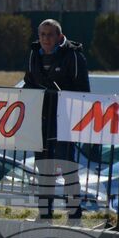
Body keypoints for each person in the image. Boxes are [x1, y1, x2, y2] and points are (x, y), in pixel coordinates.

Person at [23, 19, 90, 220]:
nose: (46, 38)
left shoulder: (73, 56)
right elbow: (29, 82)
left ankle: (74, 213)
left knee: (67, 166)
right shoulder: (34, 54)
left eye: (50, 34)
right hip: (41, 120)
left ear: (59, 37)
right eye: (42, 34)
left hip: (65, 121)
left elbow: (83, 91)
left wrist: (59, 97)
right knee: (43, 167)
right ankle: (45, 213)